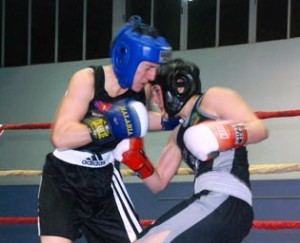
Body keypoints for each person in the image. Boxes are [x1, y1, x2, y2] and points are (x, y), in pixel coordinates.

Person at [37, 16, 174, 243]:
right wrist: (108, 126)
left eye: (156, 69)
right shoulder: (87, 79)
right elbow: (60, 135)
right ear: (127, 58)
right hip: (63, 179)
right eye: (149, 67)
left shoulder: (143, 90)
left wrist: (176, 120)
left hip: (104, 178)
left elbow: (139, 118)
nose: (152, 76)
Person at [113, 58, 268, 242]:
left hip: (224, 198)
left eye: (156, 91)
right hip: (214, 204)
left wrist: (220, 134)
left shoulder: (213, 98)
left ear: (178, 86)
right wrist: (137, 161)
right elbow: (158, 183)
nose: (155, 100)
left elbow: (259, 129)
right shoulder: (178, 134)